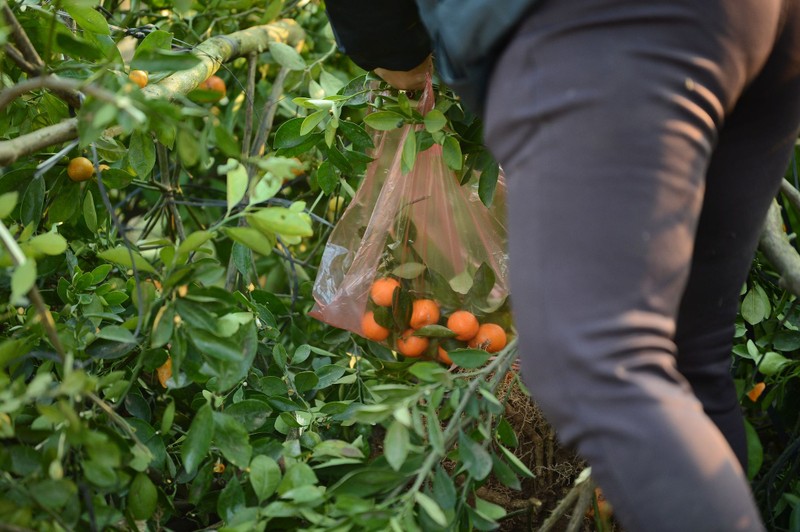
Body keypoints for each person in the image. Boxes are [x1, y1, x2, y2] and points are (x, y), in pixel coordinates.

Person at [325, 1, 800, 530]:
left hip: (611, 24)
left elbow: (378, 27)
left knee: (595, 366)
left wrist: (391, 47)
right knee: (688, 361)